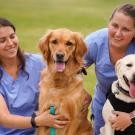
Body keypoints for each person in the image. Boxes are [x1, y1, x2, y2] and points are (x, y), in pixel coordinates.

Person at [0, 17, 69, 135]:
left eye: (12, 36)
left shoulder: (38, 62)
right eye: (2, 40)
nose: (10, 43)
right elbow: (4, 118)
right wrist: (38, 121)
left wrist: (83, 97)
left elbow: (68, 81)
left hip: (39, 131)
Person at [84, 3, 135, 135]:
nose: (118, 33)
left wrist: (131, 117)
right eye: (115, 26)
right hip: (104, 105)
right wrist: (80, 92)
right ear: (109, 23)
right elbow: (71, 71)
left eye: (126, 29)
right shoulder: (94, 42)